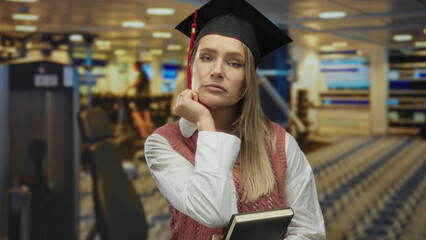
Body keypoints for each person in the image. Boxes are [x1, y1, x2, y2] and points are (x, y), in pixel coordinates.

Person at [144, 0, 326, 239]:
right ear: (191, 66)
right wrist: (205, 125)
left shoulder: (280, 144)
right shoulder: (164, 143)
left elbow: (309, 231)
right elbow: (213, 212)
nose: (217, 71)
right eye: (207, 57)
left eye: (234, 63)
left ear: (247, 78)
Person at [117, 61, 153, 139]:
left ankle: (143, 134)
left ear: (138, 66)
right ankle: (148, 133)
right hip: (146, 97)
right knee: (146, 114)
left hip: (141, 97)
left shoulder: (141, 74)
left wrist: (124, 91)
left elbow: (135, 83)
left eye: (134, 66)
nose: (133, 67)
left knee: (136, 114)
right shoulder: (145, 74)